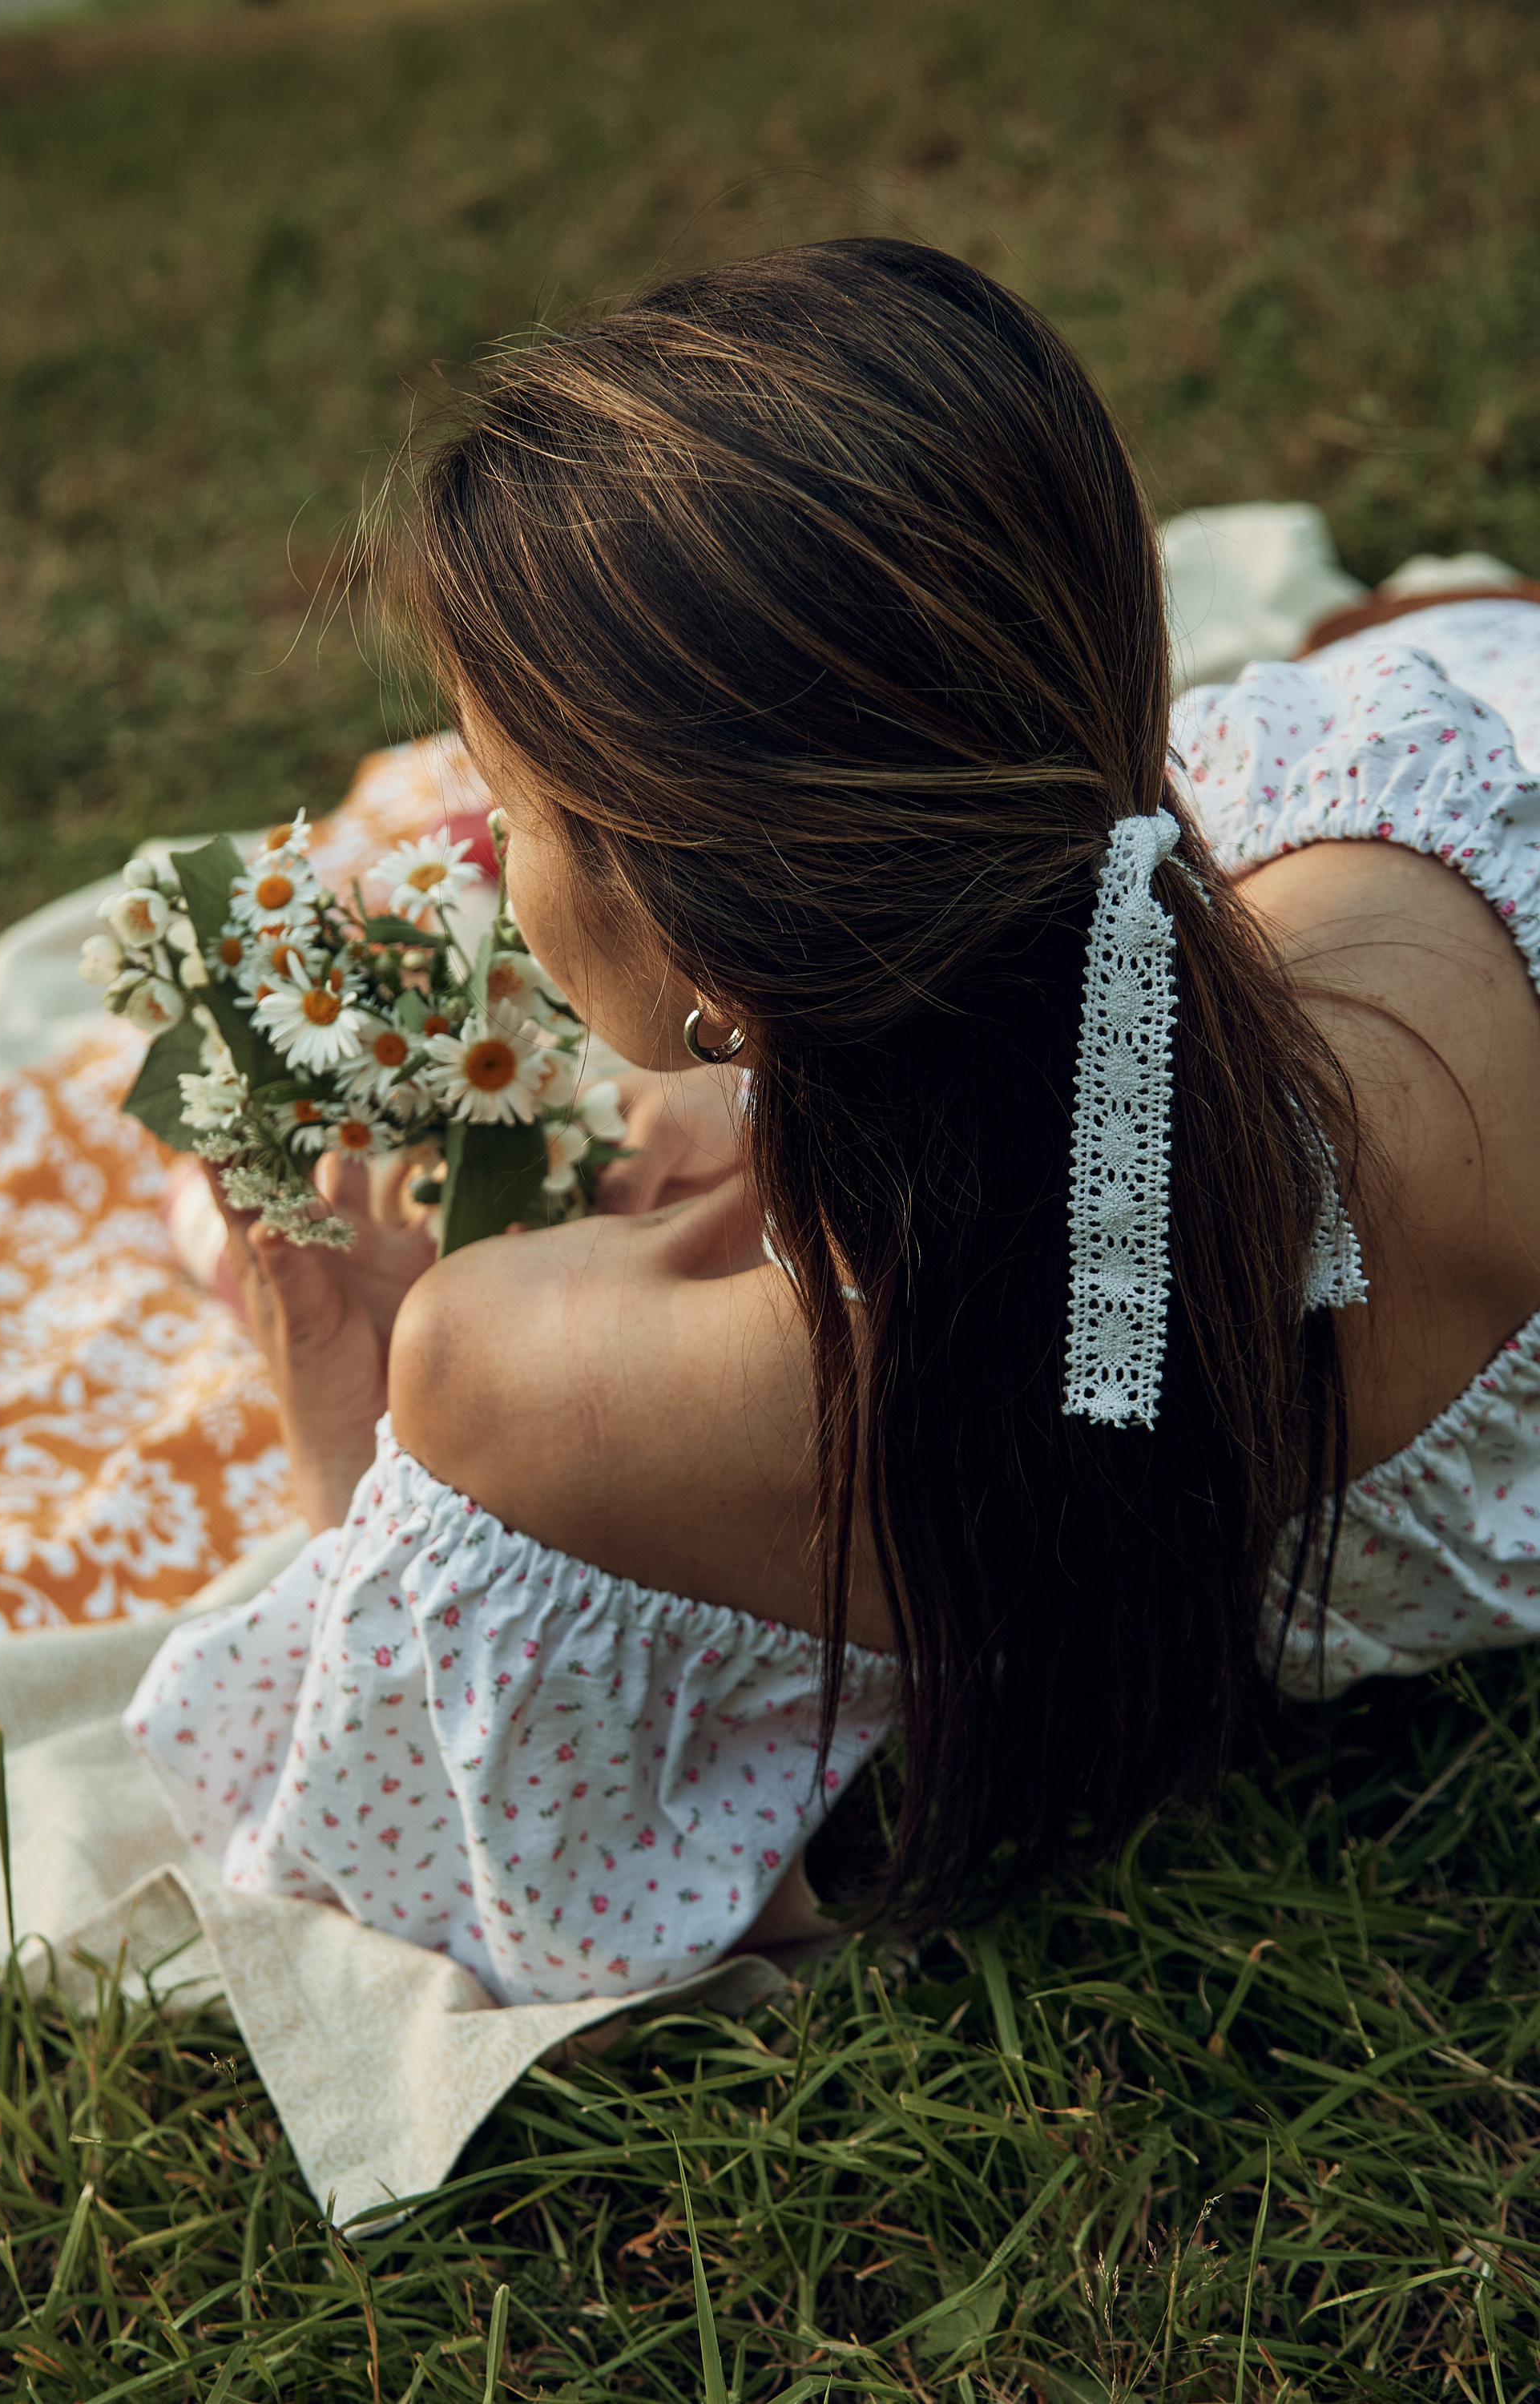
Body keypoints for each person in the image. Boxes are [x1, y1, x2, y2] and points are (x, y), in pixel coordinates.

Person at [125, 238, 1540, 2006]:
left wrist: (345, 1408)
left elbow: (401, 1829)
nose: (477, 852)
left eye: (505, 802)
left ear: (717, 932)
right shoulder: (1419, 852)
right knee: (1405, 634)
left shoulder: (532, 1374)